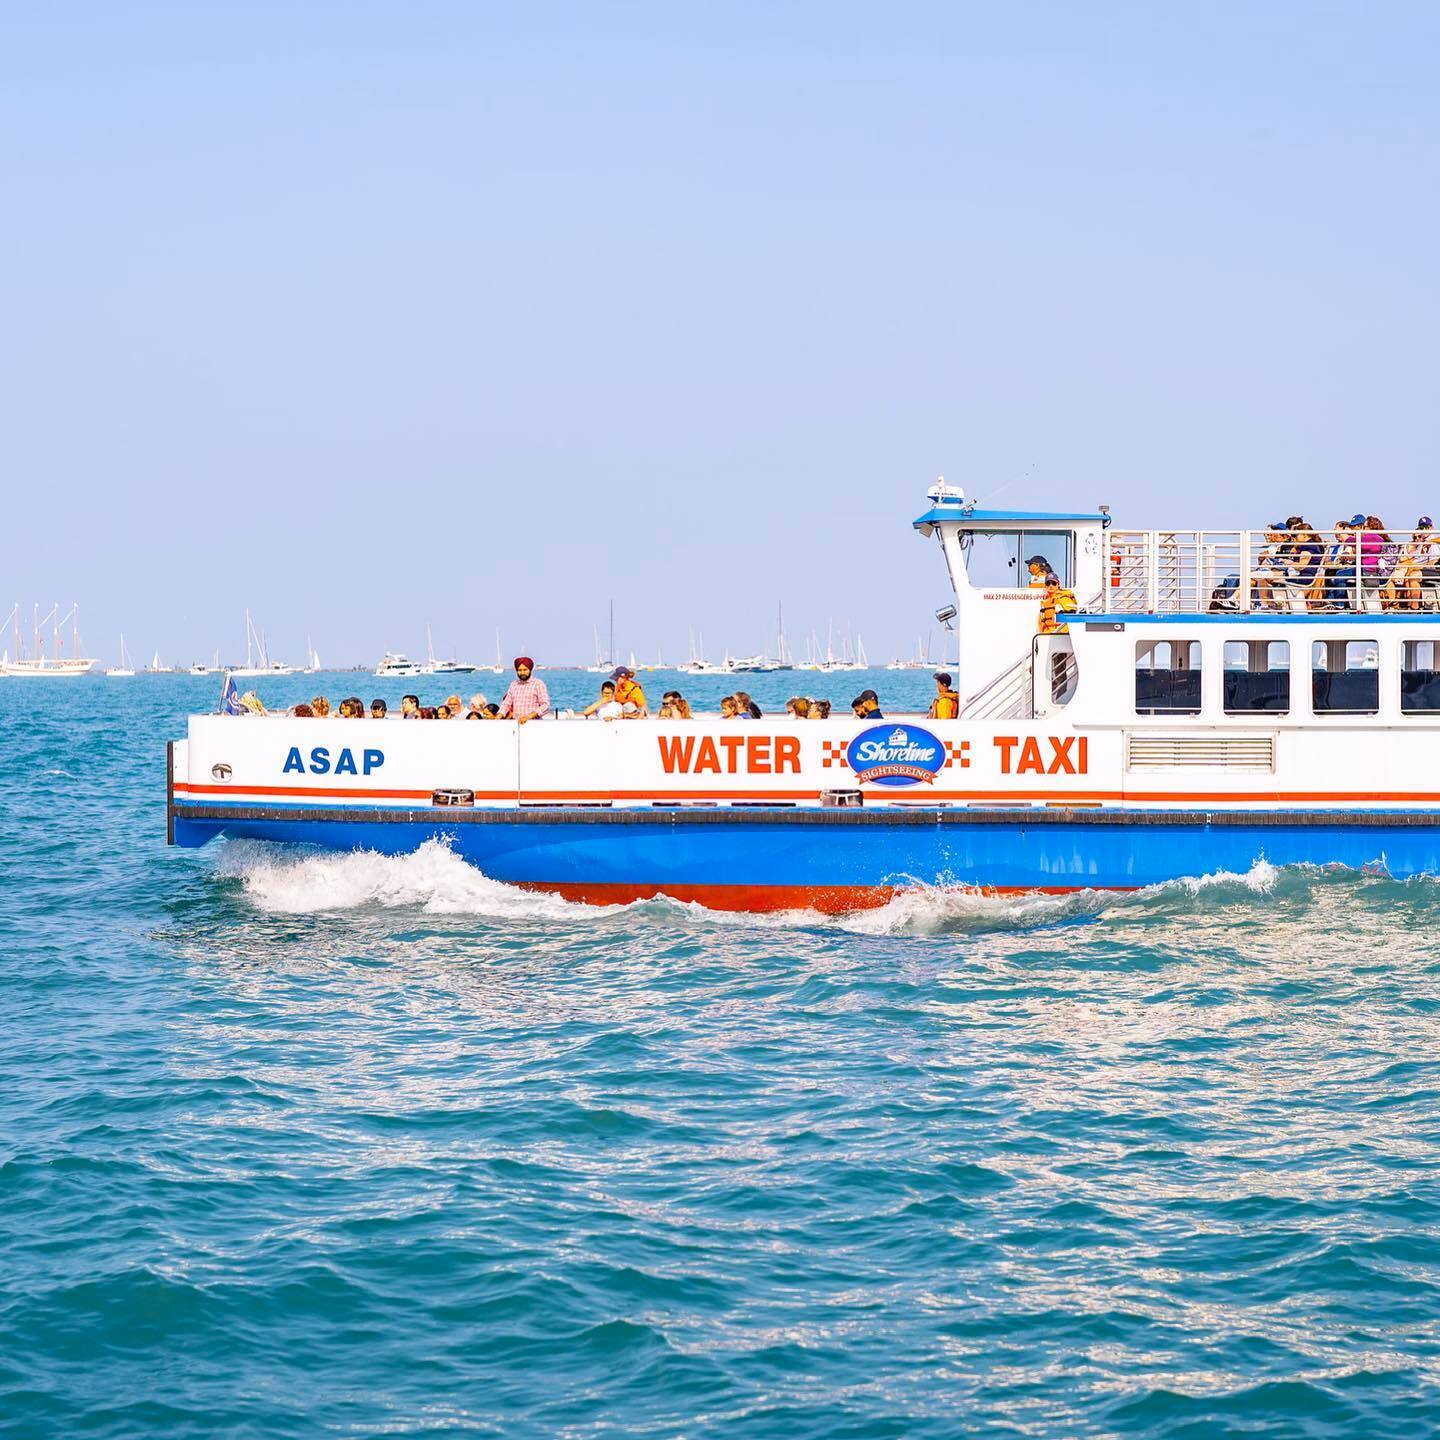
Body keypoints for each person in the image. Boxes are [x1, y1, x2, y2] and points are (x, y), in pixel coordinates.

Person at [498, 656, 551, 723]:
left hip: (533, 723)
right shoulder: (513, 685)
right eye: (519, 670)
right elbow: (506, 704)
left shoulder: (538, 684)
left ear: (530, 670)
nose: (522, 673)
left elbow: (545, 704)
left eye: (525, 670)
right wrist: (499, 715)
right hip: (516, 723)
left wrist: (529, 716)